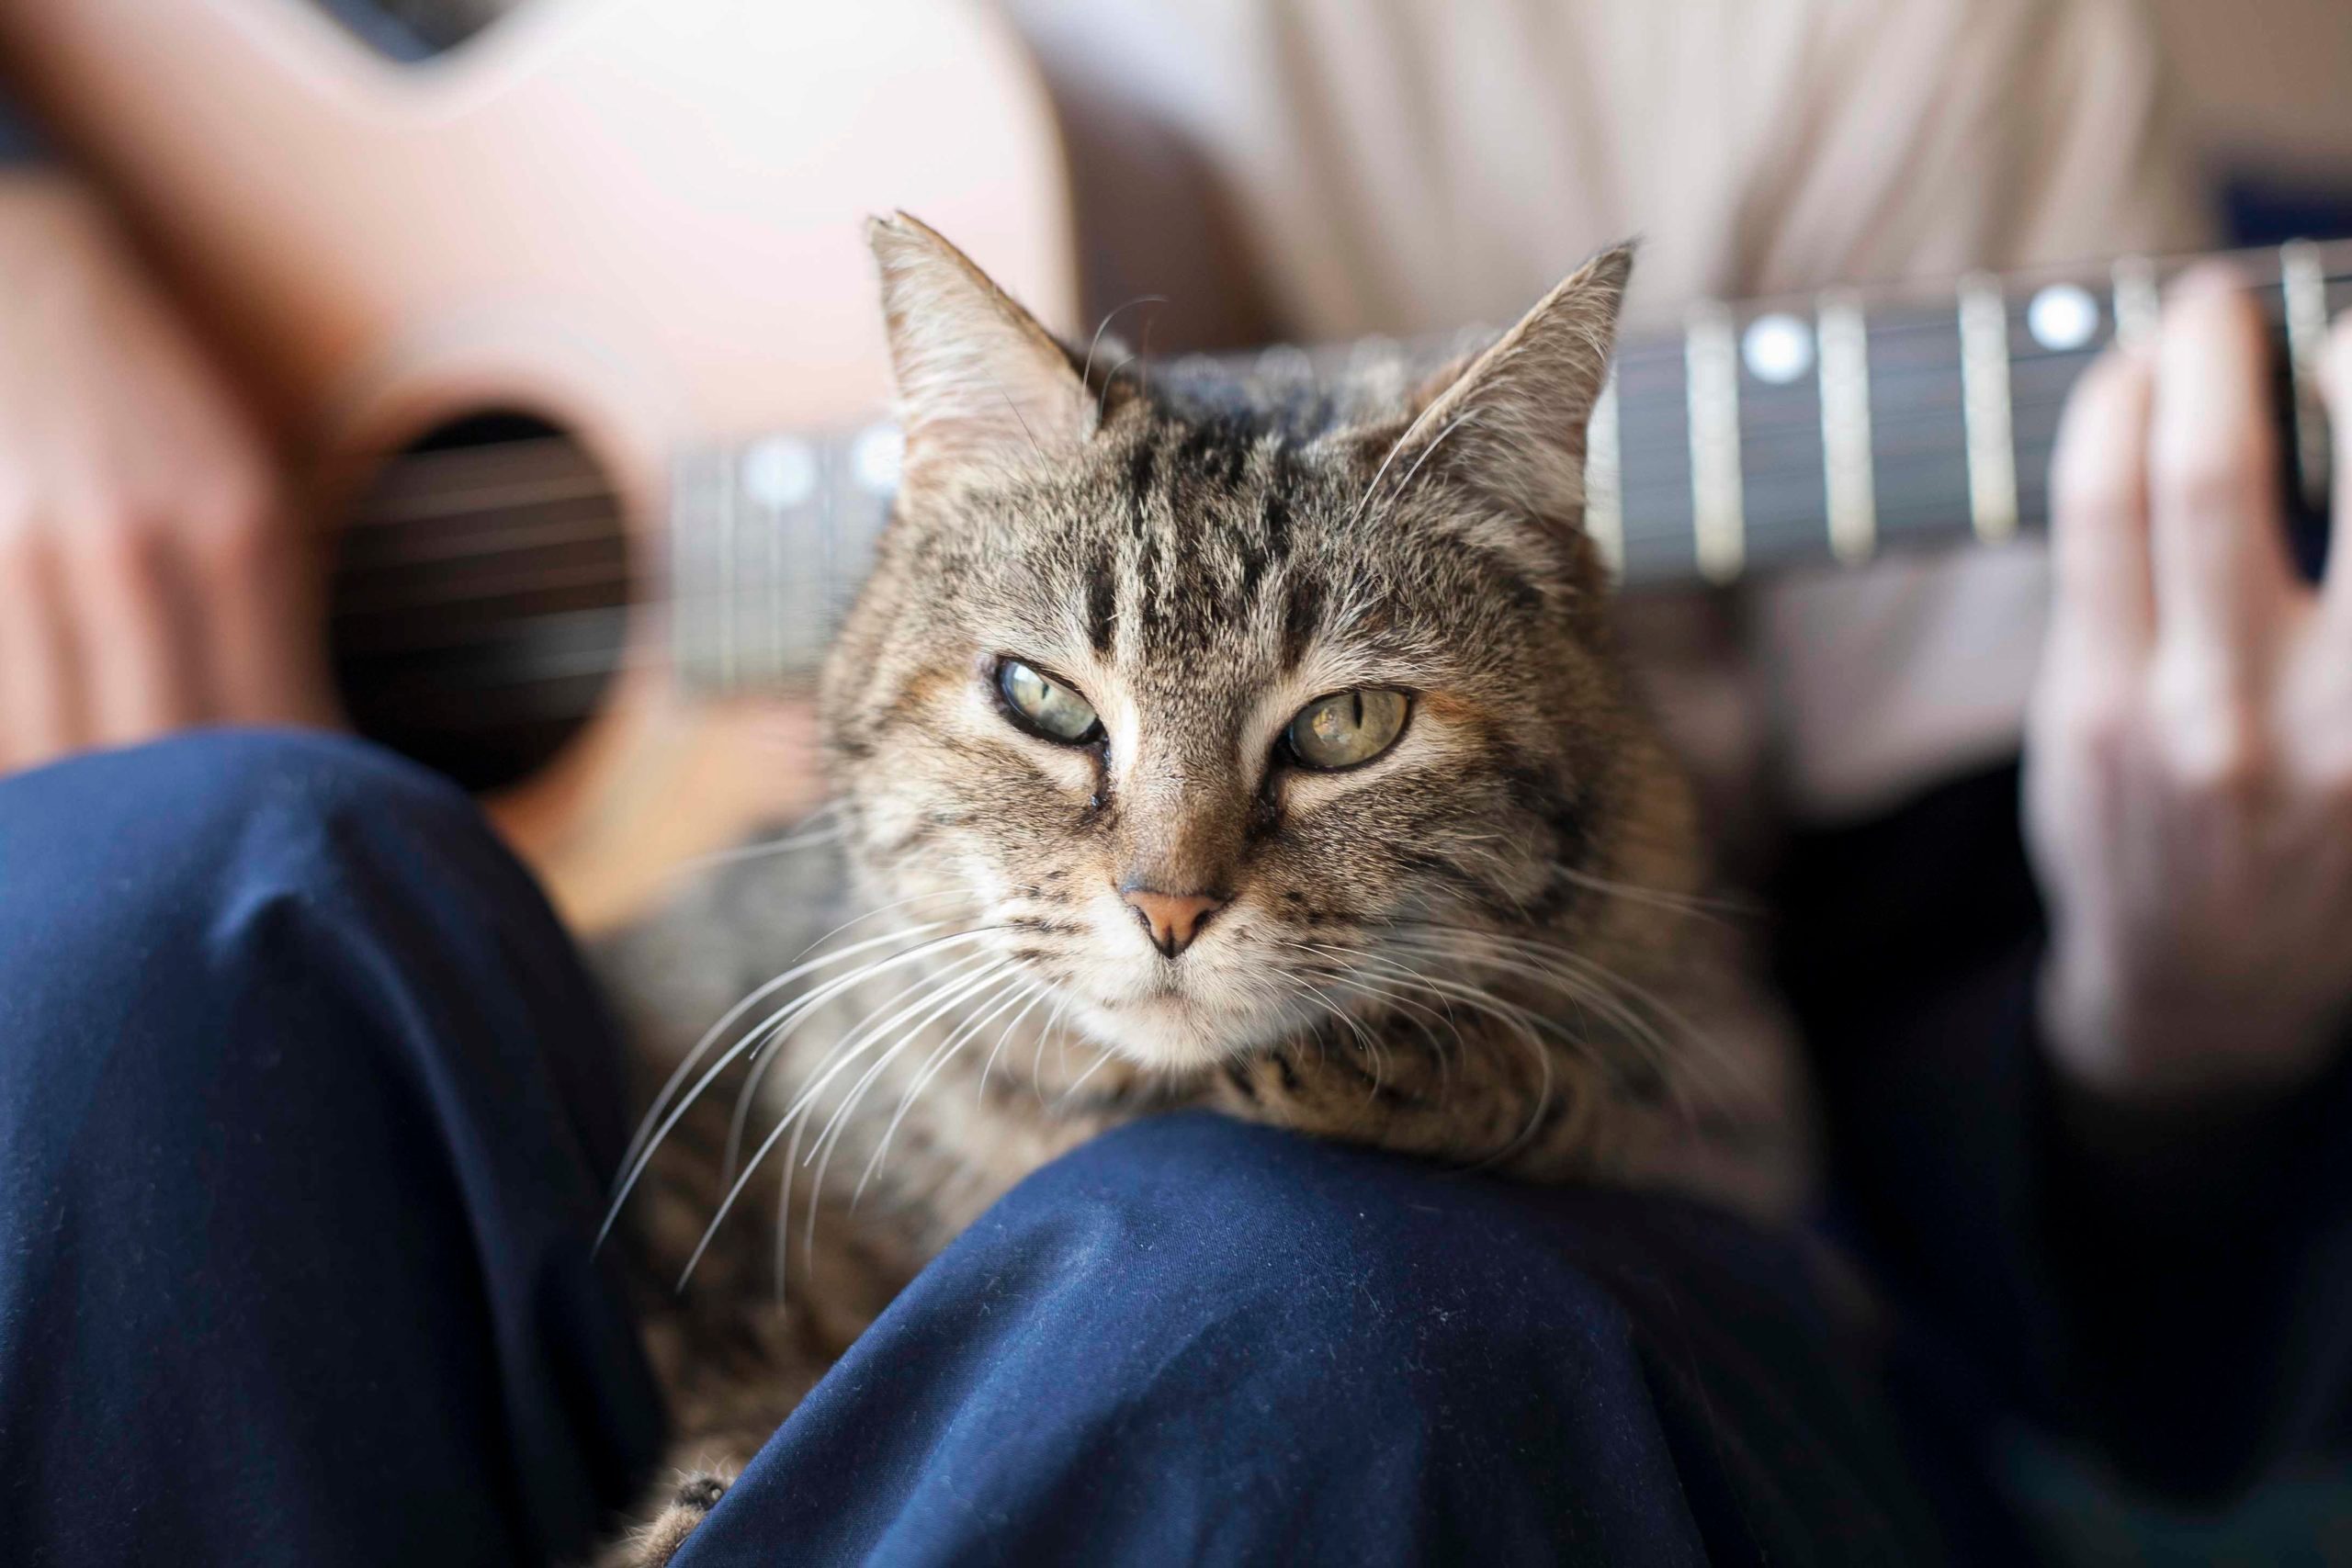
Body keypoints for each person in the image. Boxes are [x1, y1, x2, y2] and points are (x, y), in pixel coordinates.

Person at [5, 3, 2352, 1564]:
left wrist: (2195, 1004)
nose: (1167, 878)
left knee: (1254, 1295)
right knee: (157, 907)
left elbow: (2113, 1360)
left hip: (1520, 1276)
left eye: (1322, 736)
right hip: (775, 1031)